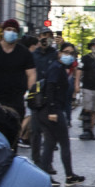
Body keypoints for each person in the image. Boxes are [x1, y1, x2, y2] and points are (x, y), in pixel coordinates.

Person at [36, 41, 84, 186]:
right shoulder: (56, 68)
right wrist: (52, 110)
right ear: (59, 53)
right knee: (64, 143)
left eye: (71, 53)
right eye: (66, 52)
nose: (69, 55)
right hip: (52, 110)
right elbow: (50, 89)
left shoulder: (59, 68)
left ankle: (44, 176)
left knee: (50, 143)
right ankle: (69, 175)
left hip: (48, 110)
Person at [0, 18, 36, 120]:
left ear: (17, 33)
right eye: (8, 29)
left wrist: (32, 93)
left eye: (14, 30)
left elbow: (31, 74)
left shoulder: (24, 53)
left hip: (16, 100)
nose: (11, 32)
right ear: (3, 31)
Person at [29, 27, 59, 169]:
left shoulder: (55, 54)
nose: (45, 38)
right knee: (35, 131)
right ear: (39, 37)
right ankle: (36, 160)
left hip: (50, 97)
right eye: (43, 35)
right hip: (36, 97)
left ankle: (48, 163)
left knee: (50, 133)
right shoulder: (33, 55)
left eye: (48, 36)